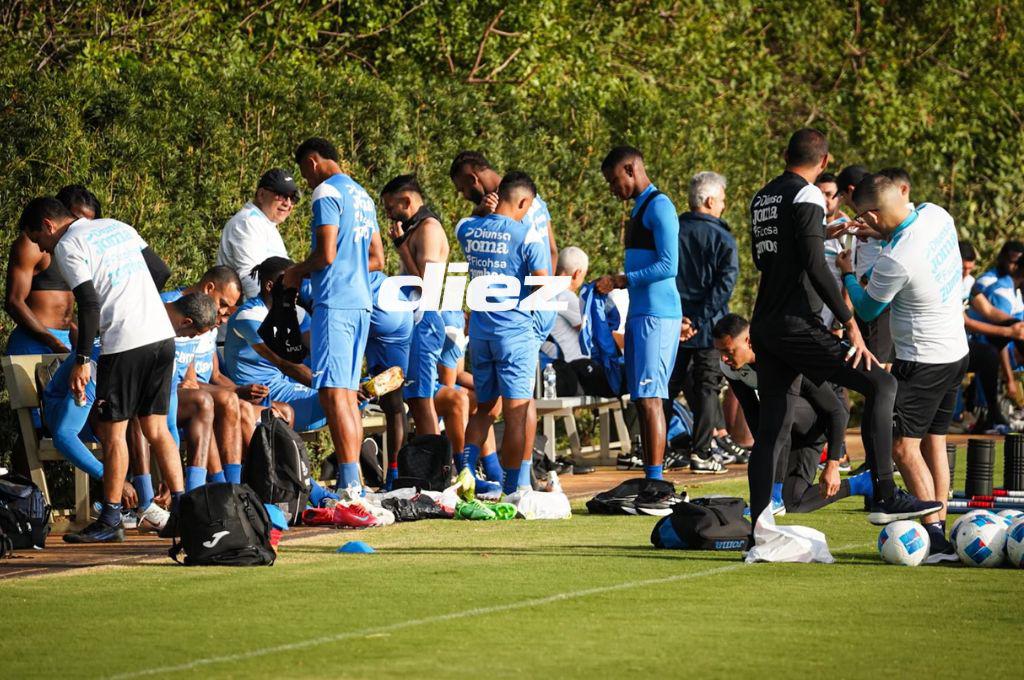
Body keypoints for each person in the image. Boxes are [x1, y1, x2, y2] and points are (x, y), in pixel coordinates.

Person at [747, 129, 941, 526]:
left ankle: (759, 530)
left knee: (773, 430)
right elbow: (817, 267)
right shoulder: (807, 195)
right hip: (796, 326)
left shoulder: (761, 197)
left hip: (765, 323)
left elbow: (767, 258)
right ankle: (885, 493)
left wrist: (818, 236)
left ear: (786, 154)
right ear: (823, 162)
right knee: (882, 384)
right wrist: (850, 322)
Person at [19, 197, 184, 543]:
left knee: (113, 434)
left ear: (49, 226)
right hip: (161, 337)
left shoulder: (68, 245)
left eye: (38, 239)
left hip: (124, 342)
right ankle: (184, 513)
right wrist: (134, 298)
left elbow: (89, 304)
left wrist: (81, 361)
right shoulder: (117, 226)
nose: (41, 248)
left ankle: (110, 518)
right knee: (156, 428)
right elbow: (159, 271)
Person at [840, 174, 969, 560]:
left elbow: (867, 308)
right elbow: (907, 239)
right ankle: (941, 531)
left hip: (923, 361)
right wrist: (878, 233)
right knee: (934, 443)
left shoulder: (896, 259)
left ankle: (935, 539)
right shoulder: (936, 214)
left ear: (872, 215)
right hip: (956, 351)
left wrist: (847, 271)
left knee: (902, 446)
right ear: (904, 192)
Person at [42, 293, 217, 532]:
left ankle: (175, 503)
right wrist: (112, 479)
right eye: (194, 334)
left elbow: (168, 426)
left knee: (143, 413)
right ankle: (138, 504)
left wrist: (169, 475)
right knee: (131, 413)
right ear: (186, 322)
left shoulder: (164, 355)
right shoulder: (101, 362)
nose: (190, 339)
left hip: (110, 419)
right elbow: (64, 435)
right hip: (70, 416)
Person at [283, 137, 375, 493]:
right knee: (346, 392)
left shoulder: (326, 192)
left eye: (305, 173)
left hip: (334, 302)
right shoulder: (363, 196)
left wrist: (296, 272)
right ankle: (357, 484)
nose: (306, 183)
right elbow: (376, 257)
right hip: (361, 301)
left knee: (334, 394)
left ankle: (351, 483)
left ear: (313, 162)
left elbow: (327, 254)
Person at [712, 314, 873, 513]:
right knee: (795, 503)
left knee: (775, 409)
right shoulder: (729, 366)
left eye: (728, 351)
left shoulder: (783, 358)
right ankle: (862, 483)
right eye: (720, 352)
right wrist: (766, 458)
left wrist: (833, 461)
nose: (724, 359)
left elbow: (836, 411)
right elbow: (751, 412)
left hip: (814, 425)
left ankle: (774, 496)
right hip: (787, 431)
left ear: (748, 341)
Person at [455, 171, 549, 497]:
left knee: (484, 410)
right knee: (516, 413)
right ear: (523, 201)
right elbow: (544, 288)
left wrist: (483, 211)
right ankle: (514, 488)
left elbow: (465, 226)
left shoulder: (468, 229)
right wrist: (536, 329)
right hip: (515, 332)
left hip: (481, 334)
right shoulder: (528, 236)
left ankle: (465, 473)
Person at [595, 146, 681, 481]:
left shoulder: (660, 205)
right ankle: (651, 477)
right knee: (642, 398)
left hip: (657, 316)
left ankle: (656, 482)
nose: (612, 188)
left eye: (614, 180)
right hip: (641, 314)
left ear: (631, 169)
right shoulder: (639, 208)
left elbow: (668, 265)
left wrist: (620, 280)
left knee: (651, 399)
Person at [666, 170, 738, 472]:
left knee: (667, 386)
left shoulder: (671, 231)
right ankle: (702, 452)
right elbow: (725, 285)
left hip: (673, 321)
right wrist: (698, 319)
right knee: (708, 387)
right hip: (708, 325)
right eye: (721, 200)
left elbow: (664, 275)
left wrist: (681, 318)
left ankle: (658, 451)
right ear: (709, 200)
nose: (723, 205)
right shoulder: (722, 236)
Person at [224, 257, 327, 433]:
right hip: (259, 394)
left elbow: (319, 351)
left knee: (359, 392)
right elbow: (283, 362)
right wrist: (331, 388)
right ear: (270, 286)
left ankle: (351, 458)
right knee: (338, 401)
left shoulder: (297, 313)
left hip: (283, 383)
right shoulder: (250, 316)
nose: (297, 289)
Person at [5, 185, 102, 356]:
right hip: (34, 343)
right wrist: (54, 343)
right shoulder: (33, 243)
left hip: (66, 342)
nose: (81, 227)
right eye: (77, 219)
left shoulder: (79, 249)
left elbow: (70, 304)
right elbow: (14, 302)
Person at [835, 164, 894, 363]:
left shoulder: (878, 218)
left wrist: (864, 277)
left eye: (842, 197)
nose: (845, 203)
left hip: (876, 298)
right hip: (869, 297)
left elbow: (897, 247)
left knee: (879, 366)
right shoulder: (878, 218)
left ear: (850, 191)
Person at [217, 169, 300, 300]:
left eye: (293, 198)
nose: (288, 203)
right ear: (261, 195)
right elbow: (251, 277)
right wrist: (274, 315)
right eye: (281, 195)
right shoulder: (247, 222)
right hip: (250, 312)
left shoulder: (265, 223)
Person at [815, 172, 852, 329]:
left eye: (829, 194)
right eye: (819, 194)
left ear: (840, 198)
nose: (823, 199)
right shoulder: (808, 227)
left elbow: (850, 278)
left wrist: (840, 323)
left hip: (830, 319)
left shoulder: (848, 232)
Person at [541, 246, 588, 364]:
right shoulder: (566, 296)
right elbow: (590, 331)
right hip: (572, 367)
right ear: (577, 273)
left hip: (549, 362)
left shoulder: (544, 291)